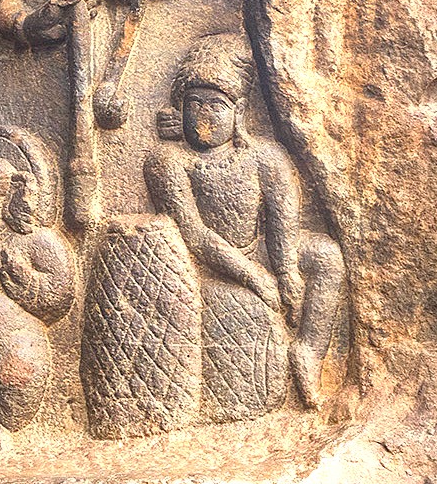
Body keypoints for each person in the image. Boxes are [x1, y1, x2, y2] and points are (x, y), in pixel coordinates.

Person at [145, 35, 345, 407]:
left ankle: (309, 352)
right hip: (210, 263)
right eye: (195, 104)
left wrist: (286, 274)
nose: (204, 115)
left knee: (327, 256)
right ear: (180, 109)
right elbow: (195, 235)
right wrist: (255, 276)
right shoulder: (169, 160)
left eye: (216, 105)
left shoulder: (264, 157)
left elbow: (281, 221)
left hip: (263, 250)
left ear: (238, 113)